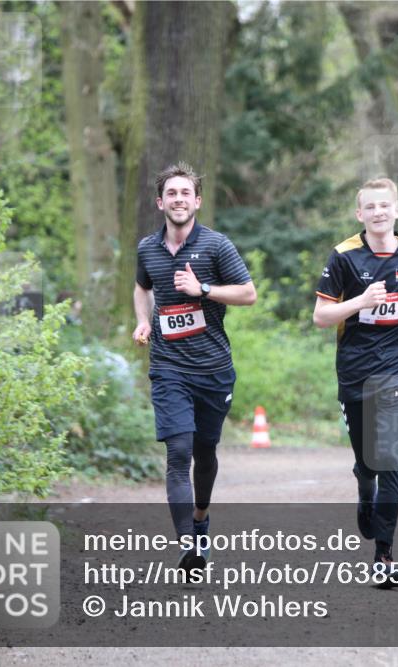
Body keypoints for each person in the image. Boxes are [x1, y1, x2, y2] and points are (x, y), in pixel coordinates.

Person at [313, 177, 398, 588]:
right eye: (370, 207)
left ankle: (384, 555)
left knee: (389, 456)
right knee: (368, 461)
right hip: (354, 370)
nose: (379, 212)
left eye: (385, 205)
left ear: (397, 210)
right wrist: (360, 302)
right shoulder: (344, 256)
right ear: (360, 214)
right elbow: (321, 316)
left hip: (397, 368)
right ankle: (363, 486)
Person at [133, 162, 257, 571]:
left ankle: (201, 520)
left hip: (213, 368)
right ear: (160, 202)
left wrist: (202, 289)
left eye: (186, 193)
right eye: (171, 194)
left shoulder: (217, 245)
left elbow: (248, 293)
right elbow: (142, 286)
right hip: (168, 367)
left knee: (204, 453)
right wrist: (143, 320)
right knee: (178, 452)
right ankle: (189, 545)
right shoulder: (147, 248)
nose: (179, 200)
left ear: (197, 201)